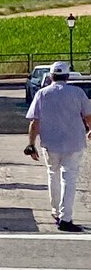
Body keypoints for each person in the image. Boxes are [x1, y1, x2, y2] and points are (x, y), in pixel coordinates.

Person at [24, 61, 91, 233]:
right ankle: (65, 217)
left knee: (52, 174)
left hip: (50, 143)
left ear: (51, 76)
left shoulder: (42, 94)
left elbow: (34, 122)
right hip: (74, 143)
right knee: (69, 179)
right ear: (67, 76)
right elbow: (88, 116)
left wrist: (31, 144)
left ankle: (55, 211)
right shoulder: (77, 93)